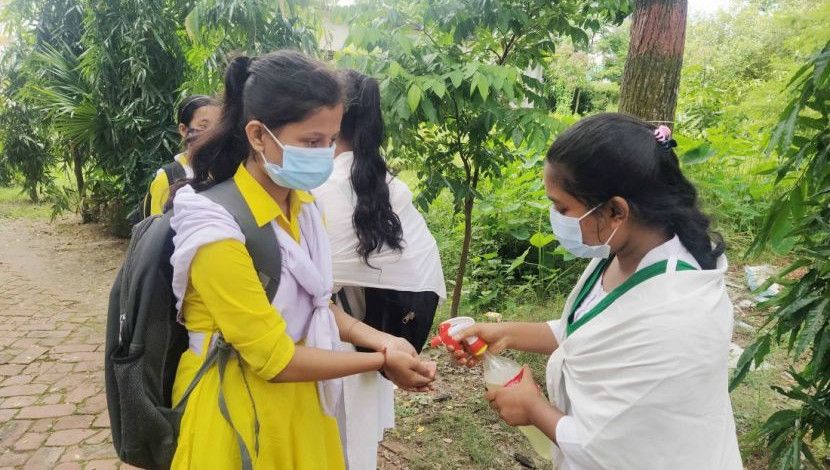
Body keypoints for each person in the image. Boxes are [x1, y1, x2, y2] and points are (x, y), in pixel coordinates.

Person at [168, 51, 436, 470]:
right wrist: (382, 361)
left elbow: (318, 305)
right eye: (311, 142)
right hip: (239, 417)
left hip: (304, 404)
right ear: (259, 136)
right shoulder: (214, 229)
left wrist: (382, 340)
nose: (325, 154)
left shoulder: (304, 208)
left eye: (331, 140)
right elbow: (273, 358)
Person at [447, 113, 742, 469]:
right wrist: (506, 333)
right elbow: (590, 330)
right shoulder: (623, 251)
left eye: (562, 207)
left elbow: (613, 449)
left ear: (616, 211)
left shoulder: (676, 314)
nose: (557, 218)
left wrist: (533, 408)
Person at [312, 70, 446, 469]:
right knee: (356, 449)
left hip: (332, 346)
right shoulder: (390, 186)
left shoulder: (319, 191)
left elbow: (308, 291)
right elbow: (421, 269)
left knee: (328, 449)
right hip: (376, 343)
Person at [144, 94, 220, 216]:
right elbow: (158, 226)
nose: (213, 134)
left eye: (218, 127)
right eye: (203, 126)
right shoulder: (167, 177)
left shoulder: (226, 171)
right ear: (183, 130)